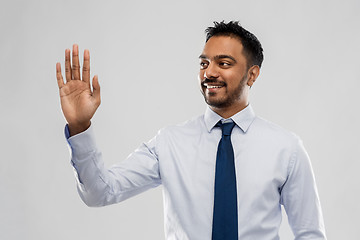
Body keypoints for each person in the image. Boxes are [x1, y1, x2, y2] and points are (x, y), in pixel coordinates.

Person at [56, 21, 327, 239]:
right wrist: (80, 127)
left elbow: (309, 233)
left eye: (224, 63)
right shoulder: (170, 143)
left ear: (252, 74)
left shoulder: (286, 149)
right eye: (203, 63)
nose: (209, 72)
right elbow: (100, 192)